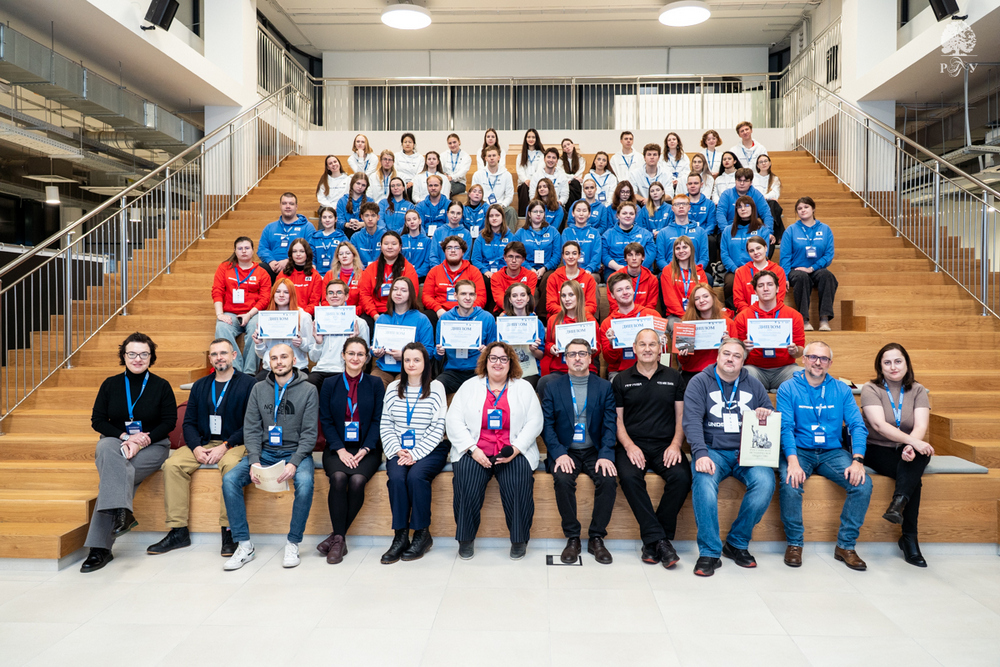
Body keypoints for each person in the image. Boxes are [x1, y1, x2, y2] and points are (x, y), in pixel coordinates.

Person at [147, 338, 255, 557]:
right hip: (204, 442)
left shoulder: (249, 384)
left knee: (231, 467)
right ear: (210, 359)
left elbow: (251, 423)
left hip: (235, 443)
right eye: (214, 354)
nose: (219, 358)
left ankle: (229, 530)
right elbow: (188, 423)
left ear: (234, 356)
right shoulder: (200, 385)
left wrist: (225, 446)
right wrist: (196, 447)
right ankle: (178, 531)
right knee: (173, 465)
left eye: (223, 353)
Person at [80, 333, 178, 573]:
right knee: (104, 447)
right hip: (117, 442)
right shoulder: (110, 384)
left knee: (114, 476)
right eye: (132, 353)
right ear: (123, 356)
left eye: (144, 354)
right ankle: (122, 514)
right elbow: (97, 421)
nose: (138, 358)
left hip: (153, 445)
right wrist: (126, 438)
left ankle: (100, 548)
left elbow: (169, 422)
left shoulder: (161, 386)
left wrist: (142, 441)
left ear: (151, 357)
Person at [683, 338, 776, 576]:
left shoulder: (754, 384)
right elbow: (691, 421)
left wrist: (765, 413)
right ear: (717, 356)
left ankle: (736, 543)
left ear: (743, 362)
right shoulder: (699, 382)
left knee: (765, 482)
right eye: (726, 353)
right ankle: (709, 552)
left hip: (748, 451)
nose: (730, 359)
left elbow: (769, 414)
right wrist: (700, 453)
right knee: (704, 482)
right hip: (712, 450)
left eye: (737, 356)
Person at [222, 344, 319, 570]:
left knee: (305, 483)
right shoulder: (258, 389)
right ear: (269, 363)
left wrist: (294, 462)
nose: (279, 362)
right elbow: (251, 428)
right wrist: (254, 460)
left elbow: (310, 433)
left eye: (284, 357)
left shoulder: (309, 390)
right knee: (230, 479)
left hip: (296, 452)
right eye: (274, 358)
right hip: (265, 453)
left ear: (294, 360)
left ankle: (293, 543)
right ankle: (244, 545)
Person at [777, 341, 872, 571]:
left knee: (863, 484)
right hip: (799, 450)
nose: (818, 362)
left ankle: (845, 546)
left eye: (824, 358)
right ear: (803, 359)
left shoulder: (841, 390)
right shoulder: (787, 388)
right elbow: (785, 427)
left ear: (830, 363)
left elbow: (857, 426)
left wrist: (858, 461)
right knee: (790, 482)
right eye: (813, 357)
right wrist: (792, 461)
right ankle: (794, 543)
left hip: (832, 452)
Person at [446, 341, 544, 560]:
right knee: (466, 479)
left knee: (518, 481)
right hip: (476, 450)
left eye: (503, 359)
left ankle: (519, 539)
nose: (498, 363)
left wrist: (517, 449)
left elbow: (535, 421)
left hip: (511, 451)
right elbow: (453, 420)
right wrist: (472, 450)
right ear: (485, 361)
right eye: (493, 358)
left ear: (510, 363)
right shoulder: (469, 386)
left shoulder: (523, 387)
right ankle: (465, 539)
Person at [613, 328, 691, 568]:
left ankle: (654, 540)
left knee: (682, 477)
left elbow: (681, 417)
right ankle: (661, 541)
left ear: (660, 348)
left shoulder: (674, 377)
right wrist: (629, 446)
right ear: (634, 348)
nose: (647, 349)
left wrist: (676, 444)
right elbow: (617, 420)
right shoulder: (621, 379)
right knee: (629, 478)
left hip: (666, 444)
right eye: (642, 344)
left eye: (652, 344)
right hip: (632, 444)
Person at [542, 338, 617, 565]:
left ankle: (596, 538)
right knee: (562, 479)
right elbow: (547, 425)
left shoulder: (604, 387)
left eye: (582, 353)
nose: (577, 358)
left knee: (608, 479)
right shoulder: (552, 386)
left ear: (590, 357)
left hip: (594, 450)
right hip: (566, 450)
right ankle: (573, 537)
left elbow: (610, 424)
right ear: (565, 359)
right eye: (572, 354)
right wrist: (559, 454)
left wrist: (606, 454)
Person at [861, 343, 934, 567]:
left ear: (906, 364)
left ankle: (898, 504)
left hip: (905, 446)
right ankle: (909, 538)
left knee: (921, 454)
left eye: (898, 361)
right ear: (880, 367)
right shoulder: (871, 388)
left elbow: (920, 426)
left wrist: (911, 445)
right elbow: (879, 425)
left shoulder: (918, 390)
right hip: (876, 447)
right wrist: (912, 442)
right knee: (913, 479)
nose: (893, 367)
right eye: (887, 362)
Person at [315, 337, 384, 564]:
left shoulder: (375, 384)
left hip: (367, 447)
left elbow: (377, 420)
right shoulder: (330, 384)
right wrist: (340, 450)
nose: (355, 358)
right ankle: (339, 539)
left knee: (356, 481)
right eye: (351, 353)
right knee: (338, 477)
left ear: (367, 358)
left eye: (360, 354)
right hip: (337, 447)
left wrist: (365, 448)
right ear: (343, 355)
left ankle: (336, 538)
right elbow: (326, 420)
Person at [379, 342, 449, 563]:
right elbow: (386, 423)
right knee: (397, 478)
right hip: (399, 449)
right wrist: (397, 449)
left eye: (416, 360)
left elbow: (438, 427)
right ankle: (400, 536)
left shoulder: (436, 387)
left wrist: (415, 453)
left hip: (431, 448)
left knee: (416, 477)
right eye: (407, 360)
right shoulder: (393, 387)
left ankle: (421, 534)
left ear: (425, 363)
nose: (411, 364)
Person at [733, 270, 805, 391]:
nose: (765, 289)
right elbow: (737, 354)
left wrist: (795, 350)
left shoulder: (794, 315)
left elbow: (800, 351)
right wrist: (744, 349)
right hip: (754, 369)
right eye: (761, 285)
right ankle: (765, 390)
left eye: (770, 284)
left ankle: (776, 390)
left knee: (803, 375)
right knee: (742, 374)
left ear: (777, 288)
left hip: (785, 369)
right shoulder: (743, 316)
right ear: (755, 291)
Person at [213, 236, 272, 375]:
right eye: (240, 248)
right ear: (235, 251)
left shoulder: (262, 272)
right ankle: (236, 370)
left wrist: (249, 314)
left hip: (253, 313)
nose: (244, 251)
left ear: (253, 250)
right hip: (231, 313)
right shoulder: (224, 268)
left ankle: (249, 372)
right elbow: (217, 291)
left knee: (256, 328)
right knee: (221, 327)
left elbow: (265, 299)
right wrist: (220, 314)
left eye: (247, 248)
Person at [780, 196, 838, 332]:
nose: (803, 210)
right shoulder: (791, 230)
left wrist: (812, 268)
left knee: (827, 276)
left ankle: (824, 319)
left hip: (816, 268)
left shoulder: (825, 229)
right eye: (799, 208)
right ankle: (804, 320)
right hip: (796, 269)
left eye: (806, 207)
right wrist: (785, 277)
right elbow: (785, 256)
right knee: (801, 277)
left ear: (813, 209)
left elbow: (829, 254)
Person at [371, 276, 437, 389]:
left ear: (410, 294)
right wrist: (375, 352)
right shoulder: (382, 319)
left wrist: (406, 356)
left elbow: (429, 351)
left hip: (410, 368)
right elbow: (373, 347)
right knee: (373, 385)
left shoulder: (421, 319)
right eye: (395, 289)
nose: (398, 293)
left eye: (403, 290)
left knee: (398, 388)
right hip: (383, 368)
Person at [435, 279, 497, 394]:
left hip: (479, 371)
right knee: (435, 387)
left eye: (471, 294)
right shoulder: (445, 319)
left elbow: (494, 352)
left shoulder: (487, 318)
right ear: (455, 296)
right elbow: (437, 356)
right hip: (453, 372)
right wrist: (439, 352)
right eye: (463, 294)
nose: (468, 298)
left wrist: (487, 352)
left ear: (475, 296)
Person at [308, 279, 371, 389]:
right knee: (308, 386)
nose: (334, 296)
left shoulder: (359, 323)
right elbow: (313, 358)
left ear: (346, 296)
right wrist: (318, 343)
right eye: (330, 293)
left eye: (339, 292)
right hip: (321, 370)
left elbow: (367, 358)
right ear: (326, 297)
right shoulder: (318, 323)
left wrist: (353, 343)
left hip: (344, 370)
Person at [599, 272, 660, 378]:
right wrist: (611, 344)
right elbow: (610, 360)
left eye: (628, 288)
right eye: (619, 290)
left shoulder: (652, 316)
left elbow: (662, 352)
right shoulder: (607, 324)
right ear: (612, 295)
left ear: (633, 290)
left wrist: (661, 343)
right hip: (620, 373)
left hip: (650, 370)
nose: (625, 292)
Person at [251, 278, 314, 381]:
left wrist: (301, 343)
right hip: (271, 369)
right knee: (255, 384)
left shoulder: (303, 317)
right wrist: (259, 343)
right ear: (273, 294)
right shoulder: (266, 317)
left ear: (292, 294)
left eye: (286, 292)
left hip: (297, 368)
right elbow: (262, 354)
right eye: (278, 291)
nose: (281, 295)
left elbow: (311, 347)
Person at [541, 280, 598, 389]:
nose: (567, 299)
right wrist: (551, 348)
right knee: (544, 383)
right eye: (563, 295)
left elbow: (597, 347)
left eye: (571, 295)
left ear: (579, 296)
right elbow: (548, 344)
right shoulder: (553, 319)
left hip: (584, 369)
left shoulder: (589, 319)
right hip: (559, 369)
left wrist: (594, 350)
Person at [357, 231, 420, 330]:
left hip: (401, 312)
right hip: (376, 312)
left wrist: (398, 314)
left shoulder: (408, 269)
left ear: (400, 247)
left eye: (394, 244)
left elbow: (412, 294)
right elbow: (364, 295)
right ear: (381, 247)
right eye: (386, 244)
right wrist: (374, 314)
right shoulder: (371, 269)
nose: (389, 247)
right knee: (364, 323)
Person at [676, 284, 736, 384]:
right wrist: (684, 354)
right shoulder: (686, 325)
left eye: (705, 296)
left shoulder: (728, 323)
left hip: (720, 373)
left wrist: (729, 344)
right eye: (697, 299)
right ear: (693, 303)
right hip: (693, 373)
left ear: (713, 297)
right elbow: (682, 361)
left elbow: (736, 355)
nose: (701, 300)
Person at [721, 196, 769, 311]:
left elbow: (764, 252)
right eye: (739, 207)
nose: (743, 209)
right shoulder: (728, 230)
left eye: (746, 205)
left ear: (753, 208)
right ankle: (734, 313)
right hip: (735, 270)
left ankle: (762, 312)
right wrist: (735, 269)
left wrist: (753, 268)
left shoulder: (762, 229)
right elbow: (724, 253)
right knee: (730, 283)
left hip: (757, 268)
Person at [423, 236, 487, 320]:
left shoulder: (474, 271)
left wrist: (467, 310)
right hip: (441, 312)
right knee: (427, 316)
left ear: (463, 252)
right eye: (449, 248)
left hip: (467, 311)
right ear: (444, 252)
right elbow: (426, 296)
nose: (453, 250)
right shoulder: (434, 271)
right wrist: (438, 309)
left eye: (457, 248)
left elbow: (481, 297)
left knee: (484, 316)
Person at [258, 192, 315, 282]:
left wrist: (289, 261)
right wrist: (271, 261)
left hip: (297, 266)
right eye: (284, 203)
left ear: (296, 206)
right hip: (274, 267)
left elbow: (311, 250)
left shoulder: (307, 227)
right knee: (260, 269)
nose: (287, 206)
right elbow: (262, 248)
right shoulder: (269, 227)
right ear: (280, 206)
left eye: (291, 204)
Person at [499, 283, 546, 388]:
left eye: (523, 295)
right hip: (507, 369)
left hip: (530, 370)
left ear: (528, 298)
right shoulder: (502, 322)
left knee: (523, 386)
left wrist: (533, 350)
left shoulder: (536, 323)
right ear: (510, 300)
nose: (519, 298)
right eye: (514, 296)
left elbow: (541, 355)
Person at [515, 200, 561, 302]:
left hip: (547, 269)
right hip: (526, 269)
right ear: (529, 214)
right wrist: (530, 269)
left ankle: (543, 312)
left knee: (549, 279)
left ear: (544, 214)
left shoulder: (553, 232)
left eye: (541, 211)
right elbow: (517, 255)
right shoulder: (520, 233)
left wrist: (544, 268)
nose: (538, 214)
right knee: (529, 289)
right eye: (535, 211)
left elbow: (557, 256)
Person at [470, 204, 515, 309]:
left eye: (497, 215)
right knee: (486, 281)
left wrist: (503, 271)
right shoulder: (481, 237)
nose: (494, 218)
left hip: (504, 271)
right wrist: (485, 271)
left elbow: (513, 257)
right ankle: (487, 312)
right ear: (487, 219)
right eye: (491, 216)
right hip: (486, 272)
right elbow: (475, 259)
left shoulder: (511, 236)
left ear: (502, 217)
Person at [660, 235, 709, 324]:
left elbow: (704, 297)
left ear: (691, 249)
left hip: (697, 314)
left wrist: (695, 316)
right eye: (678, 248)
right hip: (675, 316)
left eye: (685, 247)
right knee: (678, 327)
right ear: (674, 252)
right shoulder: (667, 271)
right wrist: (685, 317)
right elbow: (670, 299)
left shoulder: (700, 272)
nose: (681, 251)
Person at [715, 168, 774, 240]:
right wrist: (726, 231)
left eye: (745, 181)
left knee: (769, 240)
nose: (742, 183)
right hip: (731, 229)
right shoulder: (726, 194)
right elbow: (720, 214)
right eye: (739, 180)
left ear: (751, 182)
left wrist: (768, 232)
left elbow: (766, 214)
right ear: (735, 181)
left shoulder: (757, 195)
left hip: (751, 230)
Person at [733, 235, 787, 314]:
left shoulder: (778, 271)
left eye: (758, 248)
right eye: (751, 251)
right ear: (748, 253)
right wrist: (751, 314)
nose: (756, 252)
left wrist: (766, 314)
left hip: (772, 314)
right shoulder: (741, 272)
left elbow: (779, 298)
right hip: (748, 314)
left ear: (765, 248)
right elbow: (738, 300)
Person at [602, 202, 655, 281]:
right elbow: (604, 255)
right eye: (624, 213)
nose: (628, 216)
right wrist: (618, 267)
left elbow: (651, 254)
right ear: (618, 215)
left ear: (635, 216)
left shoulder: (646, 234)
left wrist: (637, 268)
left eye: (631, 213)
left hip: (641, 269)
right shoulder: (608, 235)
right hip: (615, 270)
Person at [655, 195, 709, 272]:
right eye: (677, 204)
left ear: (689, 207)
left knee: (708, 277)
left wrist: (694, 271)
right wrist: (670, 272)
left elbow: (704, 258)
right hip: (671, 272)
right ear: (672, 208)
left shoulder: (701, 232)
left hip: (694, 271)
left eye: (684, 204)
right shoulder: (663, 233)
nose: (681, 207)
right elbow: (660, 259)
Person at [545, 241, 598, 319]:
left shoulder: (588, 279)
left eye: (574, 253)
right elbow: (550, 305)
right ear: (563, 256)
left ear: (579, 255)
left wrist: (575, 314)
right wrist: (569, 313)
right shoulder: (553, 277)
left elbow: (591, 306)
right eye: (567, 254)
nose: (570, 257)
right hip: (560, 317)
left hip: (581, 318)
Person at [472, 146, 518, 232]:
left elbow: (509, 196)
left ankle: (509, 238)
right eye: (489, 156)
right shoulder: (478, 174)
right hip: (483, 207)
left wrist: (502, 206)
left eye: (494, 155)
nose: (492, 158)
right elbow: (474, 195)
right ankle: (482, 237)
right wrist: (485, 206)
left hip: (501, 207)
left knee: (511, 211)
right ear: (485, 158)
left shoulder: (507, 175)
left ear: (499, 157)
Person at [607, 242, 658, 314]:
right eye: (630, 255)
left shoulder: (651, 279)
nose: (634, 258)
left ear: (643, 257)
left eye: (637, 255)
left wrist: (637, 317)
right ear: (625, 258)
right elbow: (614, 305)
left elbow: (651, 305)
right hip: (621, 316)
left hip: (643, 316)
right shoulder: (614, 278)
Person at [489, 240, 537, 314]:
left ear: (523, 259)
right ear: (505, 257)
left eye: (517, 257)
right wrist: (509, 313)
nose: (514, 260)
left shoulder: (531, 276)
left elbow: (528, 299)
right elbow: (500, 300)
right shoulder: (496, 276)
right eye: (510, 256)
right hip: (503, 310)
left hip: (523, 309)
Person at [281, 238, 324, 316]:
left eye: (302, 251)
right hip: (286, 315)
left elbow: (314, 303)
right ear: (291, 254)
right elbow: (278, 299)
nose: (298, 254)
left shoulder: (315, 276)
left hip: (307, 316)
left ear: (307, 253)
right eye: (295, 251)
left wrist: (301, 315)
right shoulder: (283, 274)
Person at [561, 200, 604, 275]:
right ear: (573, 213)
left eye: (584, 211)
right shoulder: (566, 232)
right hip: (571, 270)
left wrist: (589, 269)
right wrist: (574, 269)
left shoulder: (595, 232)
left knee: (592, 279)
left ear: (589, 214)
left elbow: (597, 255)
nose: (581, 214)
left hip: (590, 272)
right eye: (578, 210)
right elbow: (565, 254)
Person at [428, 200, 473, 267]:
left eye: (458, 213)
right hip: (440, 270)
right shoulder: (438, 232)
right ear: (447, 213)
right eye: (452, 212)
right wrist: (439, 270)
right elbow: (433, 256)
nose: (455, 216)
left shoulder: (467, 234)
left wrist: (456, 270)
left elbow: (465, 258)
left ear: (462, 215)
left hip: (460, 271)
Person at [321, 241, 363, 308]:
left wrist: (351, 312)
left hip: (355, 312)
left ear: (354, 255)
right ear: (337, 257)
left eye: (348, 253)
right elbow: (324, 300)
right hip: (332, 312)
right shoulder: (329, 275)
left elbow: (363, 302)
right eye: (341, 254)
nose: (344, 256)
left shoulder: (362, 275)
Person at [309, 207, 350, 276]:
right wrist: (315, 275)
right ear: (321, 219)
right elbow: (311, 259)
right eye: (324, 217)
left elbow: (348, 258)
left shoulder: (342, 238)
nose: (327, 220)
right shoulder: (314, 238)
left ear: (336, 219)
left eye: (330, 217)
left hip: (337, 275)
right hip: (318, 275)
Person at [753, 154, 783, 241]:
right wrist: (764, 198)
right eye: (761, 162)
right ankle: (778, 235)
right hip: (756, 204)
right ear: (757, 165)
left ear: (770, 163)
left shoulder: (775, 178)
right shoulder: (753, 177)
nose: (763, 163)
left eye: (765, 161)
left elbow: (775, 193)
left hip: (768, 204)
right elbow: (753, 193)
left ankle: (773, 234)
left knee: (773, 204)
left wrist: (765, 198)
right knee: (773, 205)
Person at [516, 128, 544, 217]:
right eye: (529, 137)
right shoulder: (520, 155)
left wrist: (533, 181)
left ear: (536, 139)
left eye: (533, 137)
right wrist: (526, 180)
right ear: (525, 139)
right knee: (524, 187)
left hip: (536, 183)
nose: (531, 139)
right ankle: (523, 216)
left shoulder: (542, 155)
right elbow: (520, 170)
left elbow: (540, 170)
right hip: (524, 183)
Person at [399, 209, 433, 278]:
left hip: (420, 277)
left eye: (414, 219)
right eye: (409, 220)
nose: (412, 222)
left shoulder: (427, 241)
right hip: (403, 276)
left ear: (420, 221)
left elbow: (427, 262)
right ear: (406, 224)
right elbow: (398, 260)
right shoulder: (401, 240)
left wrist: (414, 274)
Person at [559, 138, 586, 207]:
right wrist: (571, 178)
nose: (567, 147)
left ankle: (574, 206)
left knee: (575, 183)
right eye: (564, 146)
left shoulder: (581, 159)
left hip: (577, 182)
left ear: (573, 145)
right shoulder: (560, 160)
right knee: (568, 187)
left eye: (568, 144)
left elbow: (580, 173)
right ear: (563, 150)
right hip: (566, 181)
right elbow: (561, 173)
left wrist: (573, 179)